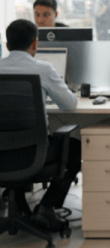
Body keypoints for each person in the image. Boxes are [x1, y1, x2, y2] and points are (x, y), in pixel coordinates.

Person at [0, 19, 79, 231]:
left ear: (7, 46)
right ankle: (46, 207)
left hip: (1, 155)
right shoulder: (43, 69)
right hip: (35, 154)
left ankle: (22, 209)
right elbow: (70, 105)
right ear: (35, 44)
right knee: (74, 149)